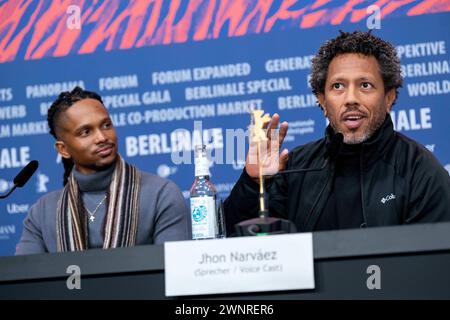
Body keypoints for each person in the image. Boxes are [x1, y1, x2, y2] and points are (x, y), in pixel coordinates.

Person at [224, 31, 450, 235]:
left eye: (365, 85)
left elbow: (431, 268)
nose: (351, 98)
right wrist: (254, 184)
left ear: (389, 97)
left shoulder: (421, 171)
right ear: (322, 100)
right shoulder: (294, 168)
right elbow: (244, 248)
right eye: (338, 86)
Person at [16, 87, 190, 255]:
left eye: (106, 125)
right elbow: (25, 279)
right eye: (86, 132)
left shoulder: (160, 195)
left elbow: (176, 273)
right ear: (63, 150)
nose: (102, 137)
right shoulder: (42, 212)